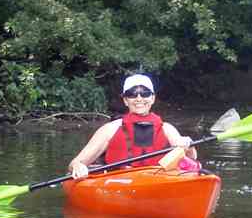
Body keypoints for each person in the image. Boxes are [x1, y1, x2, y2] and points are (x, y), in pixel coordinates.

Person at [69, 74, 198, 180]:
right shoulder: (109, 130)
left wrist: (189, 146)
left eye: (145, 93)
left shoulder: (167, 129)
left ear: (152, 98)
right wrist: (78, 166)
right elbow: (75, 163)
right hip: (120, 183)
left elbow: (191, 159)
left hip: (158, 180)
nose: (139, 98)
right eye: (132, 94)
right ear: (125, 100)